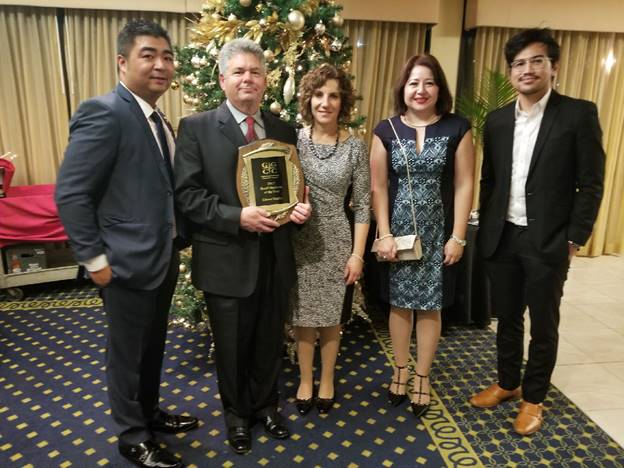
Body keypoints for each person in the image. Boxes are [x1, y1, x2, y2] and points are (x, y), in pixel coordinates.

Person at [55, 19, 197, 468]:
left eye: (168, 57)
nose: (161, 65)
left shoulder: (156, 117)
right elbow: (72, 193)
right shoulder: (105, 111)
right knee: (127, 353)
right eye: (148, 55)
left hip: (160, 255)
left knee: (151, 347)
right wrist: (96, 260)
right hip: (122, 262)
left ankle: (148, 414)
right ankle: (133, 437)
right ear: (122, 62)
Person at [174, 38, 312, 455]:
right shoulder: (196, 128)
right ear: (222, 79)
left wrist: (299, 209)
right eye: (238, 71)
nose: (247, 78)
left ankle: (267, 405)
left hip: (275, 256)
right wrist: (238, 217)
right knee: (232, 346)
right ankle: (237, 416)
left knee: (270, 340)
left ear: (266, 80)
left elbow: (293, 189)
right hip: (226, 259)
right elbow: (188, 196)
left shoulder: (284, 130)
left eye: (254, 71)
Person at [469, 28, 605, 435]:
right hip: (503, 235)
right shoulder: (495, 121)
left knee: (544, 324)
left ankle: (534, 398)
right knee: (507, 318)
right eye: (518, 63)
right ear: (510, 72)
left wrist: (574, 237)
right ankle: (508, 383)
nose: (526, 70)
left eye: (536, 61)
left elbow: (591, 183)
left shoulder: (578, 114)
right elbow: (489, 180)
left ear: (553, 67)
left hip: (548, 240)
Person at [370, 54, 474, 418]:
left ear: (439, 88)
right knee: (399, 303)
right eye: (414, 82)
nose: (421, 90)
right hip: (398, 235)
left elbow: (464, 184)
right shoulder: (385, 130)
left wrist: (457, 237)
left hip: (438, 232)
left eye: (429, 82)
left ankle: (422, 377)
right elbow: (378, 187)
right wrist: (383, 234)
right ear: (403, 87)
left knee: (430, 306)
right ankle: (399, 370)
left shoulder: (457, 127)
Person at [290, 64, 370, 416]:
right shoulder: (293, 141)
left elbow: (364, 205)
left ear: (343, 101)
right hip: (298, 239)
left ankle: (327, 378)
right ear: (309, 99)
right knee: (303, 317)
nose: (325, 102)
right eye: (319, 95)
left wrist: (358, 255)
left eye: (333, 95)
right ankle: (305, 379)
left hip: (338, 239)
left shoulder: (355, 147)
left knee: (331, 319)